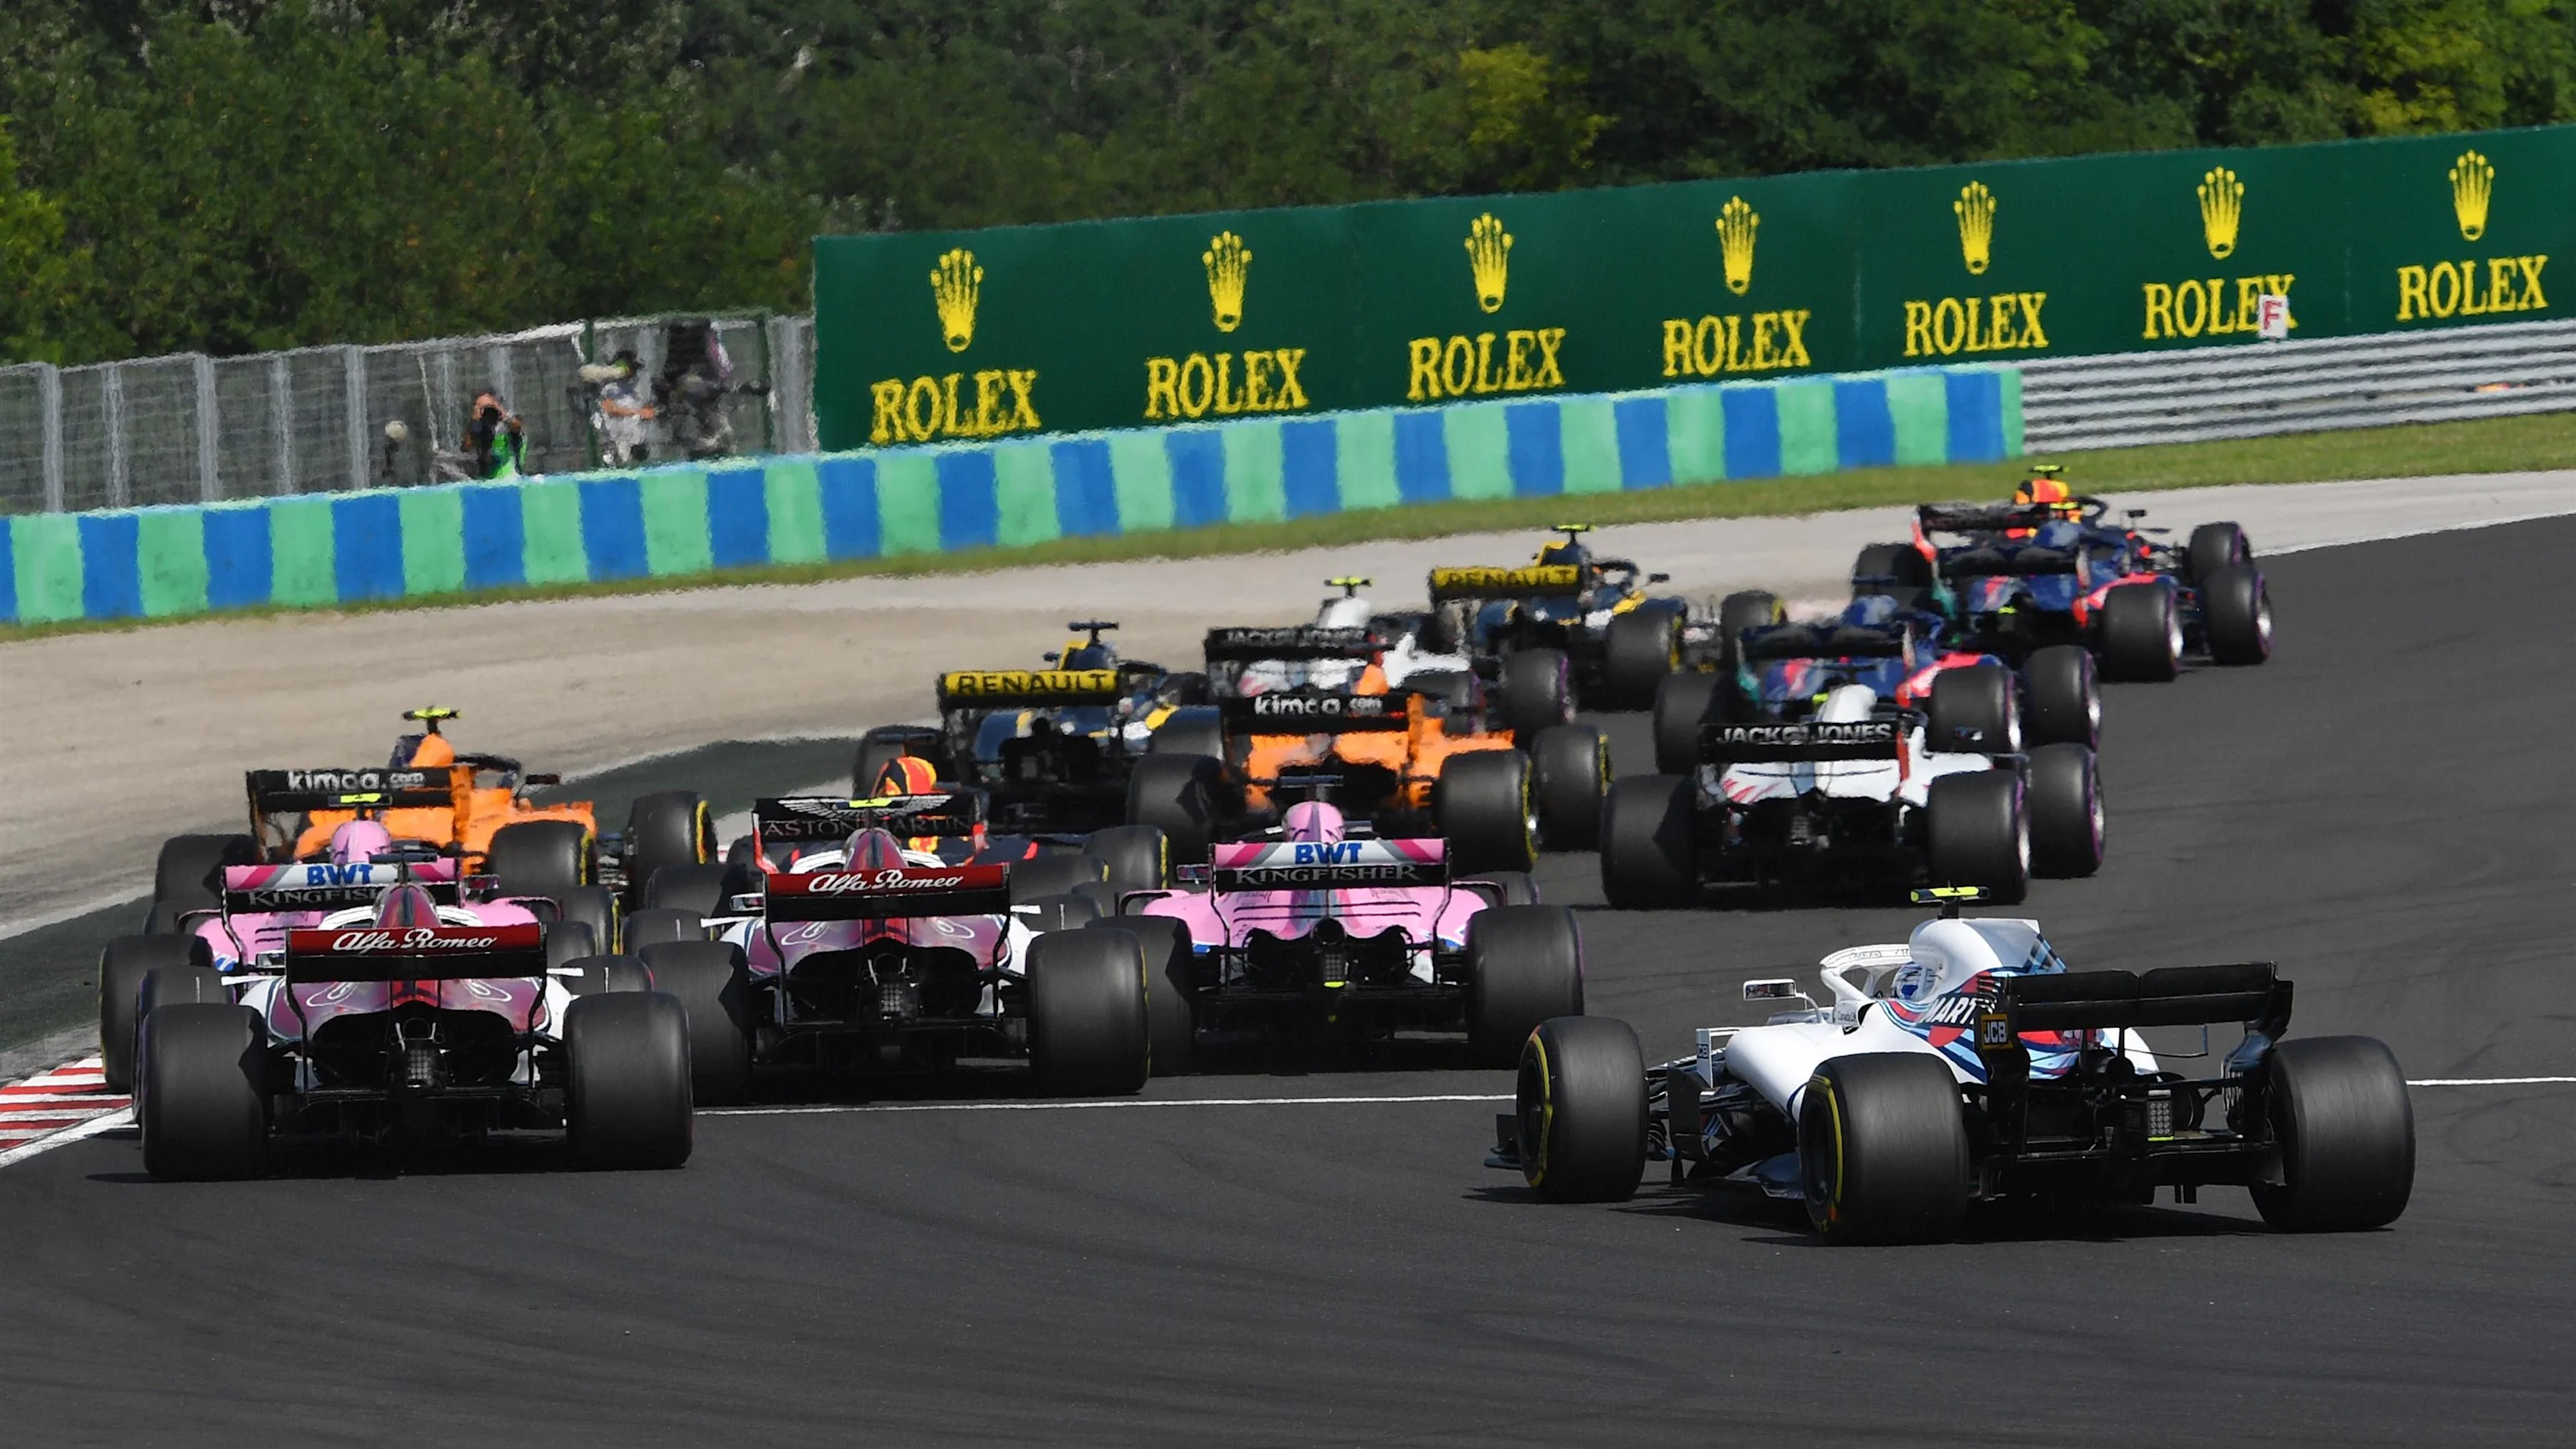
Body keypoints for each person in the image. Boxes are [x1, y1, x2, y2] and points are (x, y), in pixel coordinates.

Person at [466, 391, 526, 479]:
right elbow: (466, 447)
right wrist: (475, 420)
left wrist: (501, 412)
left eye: (490, 407)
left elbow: (517, 426)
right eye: (482, 408)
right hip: (487, 479)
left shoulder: (507, 426)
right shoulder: (478, 428)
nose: (488, 412)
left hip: (510, 476)